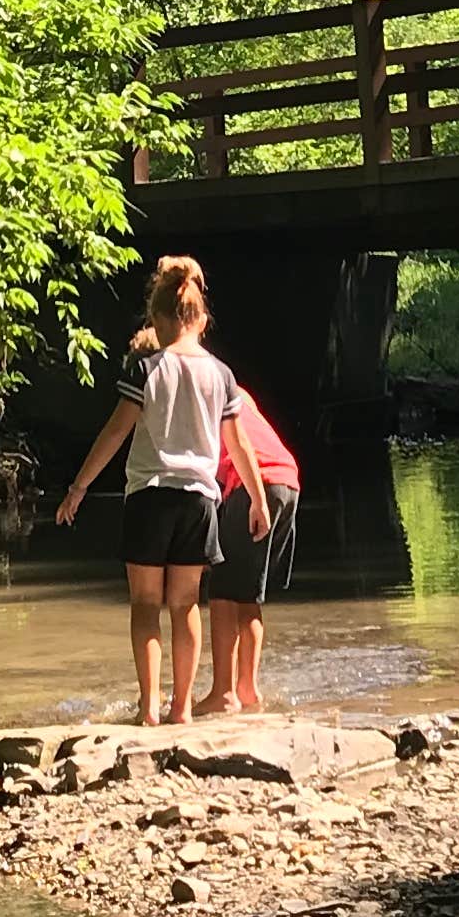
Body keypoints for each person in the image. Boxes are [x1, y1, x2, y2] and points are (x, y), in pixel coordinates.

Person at [59, 255, 270, 726]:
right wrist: (257, 499)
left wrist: (78, 488)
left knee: (145, 606)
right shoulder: (221, 374)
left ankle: (149, 706)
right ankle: (182, 709)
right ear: (200, 318)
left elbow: (115, 433)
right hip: (199, 500)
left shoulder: (146, 368)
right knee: (185, 605)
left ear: (157, 319)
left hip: (150, 497)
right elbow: (238, 446)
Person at [198, 383, 301, 716]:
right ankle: (248, 690)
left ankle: (223, 694)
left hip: (253, 481)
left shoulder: (190, 391)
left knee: (222, 591)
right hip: (287, 479)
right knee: (249, 594)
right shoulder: (235, 389)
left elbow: (198, 466)